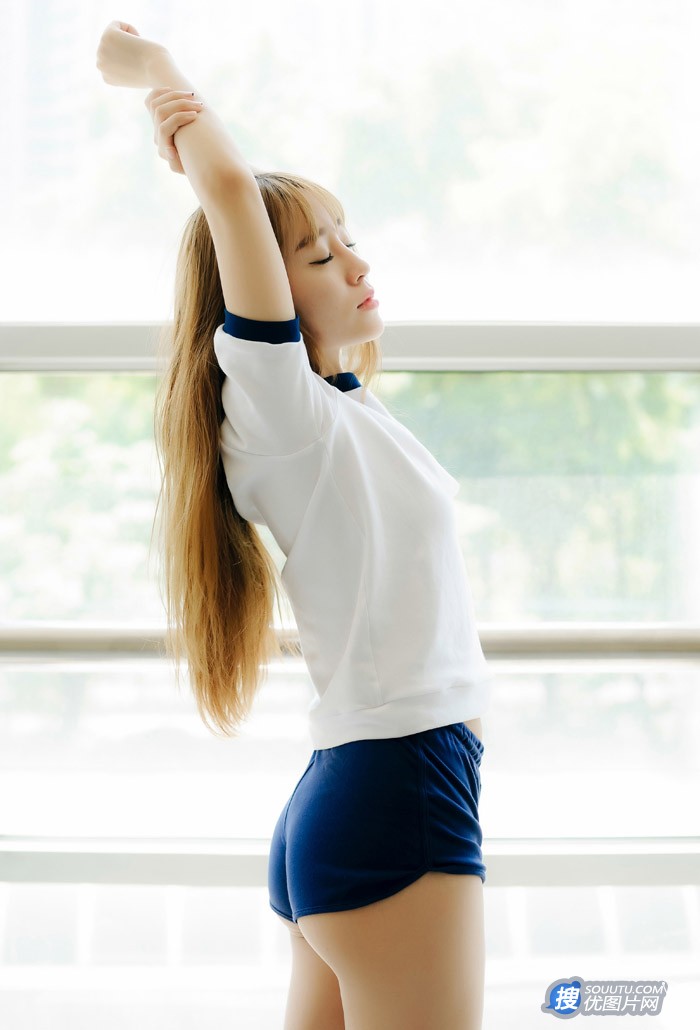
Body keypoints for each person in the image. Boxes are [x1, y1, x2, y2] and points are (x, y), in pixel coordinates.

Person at [97, 20, 493, 1030]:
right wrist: (159, 83)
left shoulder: (343, 407)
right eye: (317, 254)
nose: (355, 262)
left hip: (366, 783)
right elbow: (231, 196)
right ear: (260, 299)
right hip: (396, 786)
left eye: (348, 237)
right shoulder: (281, 414)